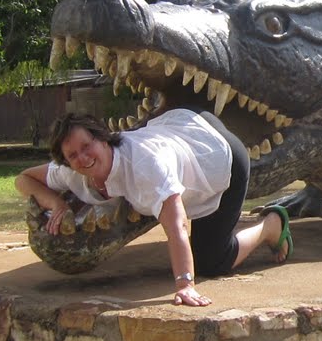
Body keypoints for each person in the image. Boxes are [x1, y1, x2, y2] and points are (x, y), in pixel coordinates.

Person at [16, 110, 291, 306]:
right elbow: (24, 178)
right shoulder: (72, 172)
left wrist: (185, 284)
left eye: (87, 146)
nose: (83, 158)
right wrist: (57, 202)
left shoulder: (146, 166)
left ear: (103, 138)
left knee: (213, 261)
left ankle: (271, 226)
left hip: (219, 155)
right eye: (73, 155)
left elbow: (177, 226)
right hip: (181, 125)